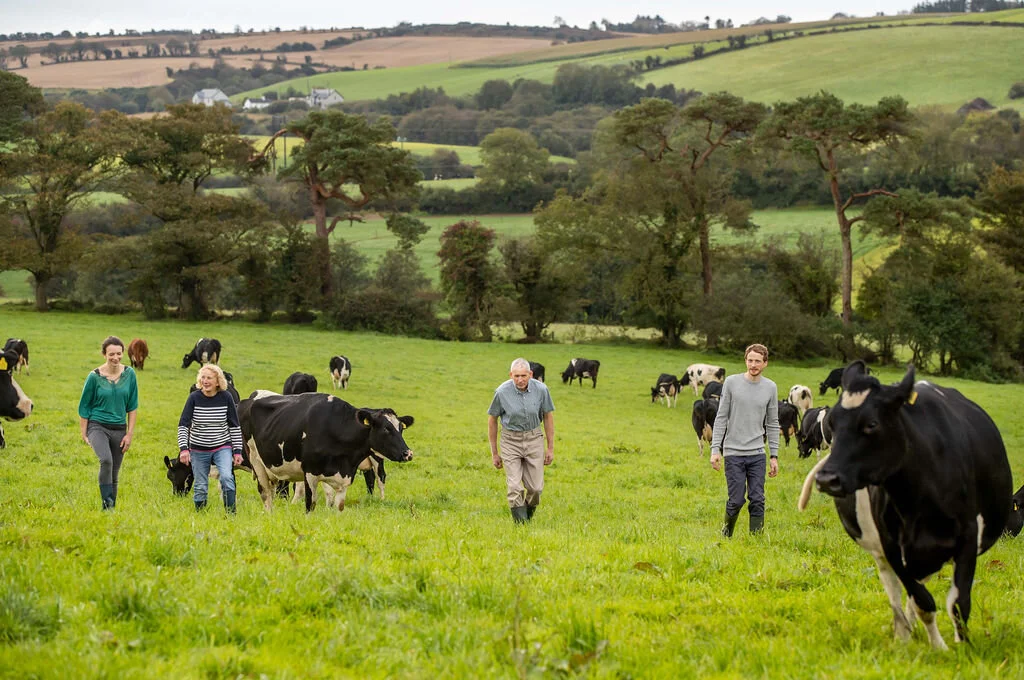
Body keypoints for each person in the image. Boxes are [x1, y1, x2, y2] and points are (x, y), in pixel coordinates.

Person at [709, 343, 780, 536]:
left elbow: (773, 423)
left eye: (758, 361)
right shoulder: (731, 383)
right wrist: (715, 450)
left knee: (757, 499)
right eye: (750, 360)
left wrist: (774, 456)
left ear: (765, 363)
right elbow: (721, 417)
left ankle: (755, 541)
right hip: (733, 453)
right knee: (736, 500)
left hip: (757, 454)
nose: (753, 364)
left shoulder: (770, 388)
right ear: (745, 360)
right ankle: (726, 535)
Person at [487, 358, 556, 523]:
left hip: (534, 439)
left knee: (535, 488)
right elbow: (492, 420)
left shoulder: (542, 389)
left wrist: (550, 448)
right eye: (516, 376)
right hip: (510, 440)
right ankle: (521, 526)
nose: (520, 380)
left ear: (531, 374)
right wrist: (494, 453)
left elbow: (548, 417)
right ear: (511, 375)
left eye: (523, 375)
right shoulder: (502, 392)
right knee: (515, 487)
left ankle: (527, 517)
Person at [78, 336, 139, 510]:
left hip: (120, 428)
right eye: (111, 354)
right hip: (97, 426)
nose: (115, 357)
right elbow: (84, 406)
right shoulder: (94, 377)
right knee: (106, 460)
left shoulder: (130, 374)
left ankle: (109, 509)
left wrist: (129, 434)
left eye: (119, 354)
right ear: (104, 354)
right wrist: (84, 432)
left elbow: (132, 406)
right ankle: (107, 502)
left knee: (114, 472)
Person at [177, 364, 244, 513]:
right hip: (198, 448)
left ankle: (231, 513)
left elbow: (234, 426)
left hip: (222, 447)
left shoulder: (226, 397)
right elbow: (183, 425)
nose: (205, 381)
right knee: (200, 485)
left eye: (209, 378)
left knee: (227, 478)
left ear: (218, 381)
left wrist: (238, 451)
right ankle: (200, 515)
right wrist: (184, 449)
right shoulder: (194, 398)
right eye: (203, 377)